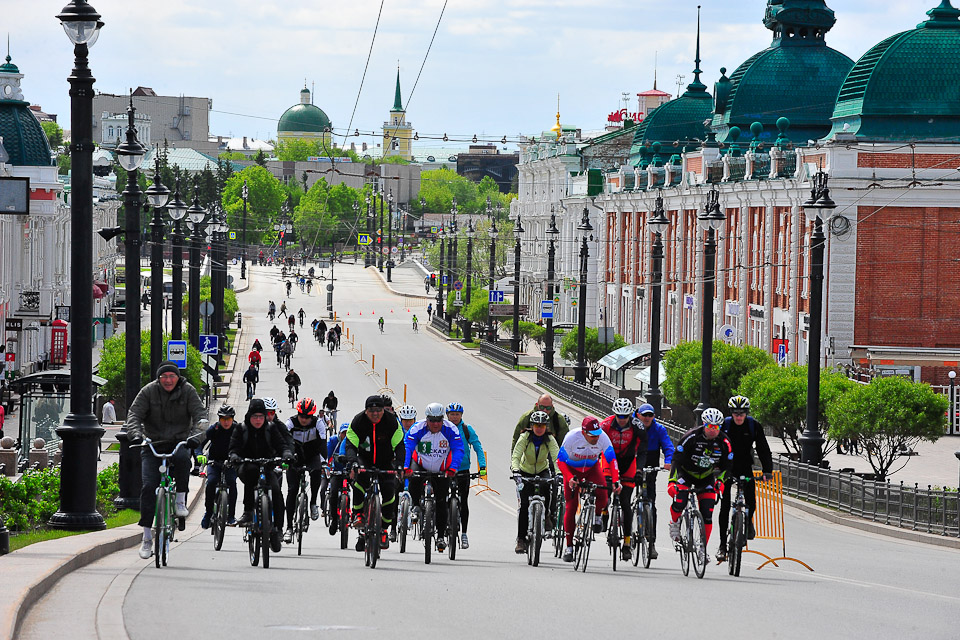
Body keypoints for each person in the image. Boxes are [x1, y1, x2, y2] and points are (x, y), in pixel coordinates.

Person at [126, 361, 206, 559]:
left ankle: (180, 501)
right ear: (158, 378)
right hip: (153, 444)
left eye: (172, 376)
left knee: (183, 460)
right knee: (148, 487)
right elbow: (134, 414)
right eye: (164, 377)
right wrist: (135, 435)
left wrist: (195, 438)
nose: (168, 380)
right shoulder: (148, 391)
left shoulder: (188, 391)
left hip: (179, 442)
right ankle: (146, 537)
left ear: (178, 378)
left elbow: (200, 417)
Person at [229, 398, 294, 554]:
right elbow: (233, 447)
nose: (258, 420)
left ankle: (277, 529)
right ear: (249, 416)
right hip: (247, 465)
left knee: (276, 492)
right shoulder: (241, 429)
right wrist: (234, 456)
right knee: (251, 475)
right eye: (254, 416)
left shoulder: (271, 428)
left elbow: (282, 445)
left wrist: (286, 454)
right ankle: (248, 512)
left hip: (267, 466)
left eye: (261, 416)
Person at [666, 408, 733, 552]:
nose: (713, 430)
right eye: (710, 426)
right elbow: (676, 460)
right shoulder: (691, 436)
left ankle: (703, 549)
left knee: (707, 514)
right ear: (704, 424)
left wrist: (720, 481)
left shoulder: (724, 441)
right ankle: (675, 522)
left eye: (716, 427)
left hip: (706, 477)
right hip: (686, 474)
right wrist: (672, 481)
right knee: (680, 502)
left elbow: (728, 466)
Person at [344, 395, 405, 552]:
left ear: (383, 410)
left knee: (389, 492)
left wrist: (399, 464)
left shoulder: (391, 422)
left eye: (379, 410)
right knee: (359, 482)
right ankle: (358, 515)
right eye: (372, 410)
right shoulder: (358, 421)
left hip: (386, 461)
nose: (375, 413)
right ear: (366, 411)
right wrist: (353, 462)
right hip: (364, 459)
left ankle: (384, 529)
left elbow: (399, 445)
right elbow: (351, 445)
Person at [716, 395, 773, 562]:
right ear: (731, 413)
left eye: (742, 413)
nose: (739, 416)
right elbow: (716, 447)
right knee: (724, 507)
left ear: (746, 413)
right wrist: (716, 469)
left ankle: (748, 522)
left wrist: (767, 470)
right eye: (736, 413)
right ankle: (722, 545)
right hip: (727, 467)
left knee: (751, 502)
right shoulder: (725, 425)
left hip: (745, 466)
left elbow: (763, 448)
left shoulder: (753, 425)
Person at [558, 416, 620, 563]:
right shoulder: (572, 437)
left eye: (597, 434)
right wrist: (569, 477)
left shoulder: (602, 437)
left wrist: (616, 480)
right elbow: (560, 460)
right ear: (584, 432)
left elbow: (612, 459)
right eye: (592, 436)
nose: (596, 438)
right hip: (572, 470)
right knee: (571, 506)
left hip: (591, 469)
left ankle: (597, 516)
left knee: (603, 493)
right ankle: (569, 547)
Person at [404, 402, 464, 553]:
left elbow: (458, 449)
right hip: (420, 464)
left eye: (439, 420)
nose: (436, 424)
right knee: (414, 479)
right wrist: (405, 467)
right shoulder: (417, 428)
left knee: (441, 501)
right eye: (432, 420)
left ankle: (441, 536)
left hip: (441, 467)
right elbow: (407, 447)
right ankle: (416, 505)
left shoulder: (451, 429)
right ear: (427, 419)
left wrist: (453, 468)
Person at [599, 398, 648, 561]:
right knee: (605, 490)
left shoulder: (638, 426)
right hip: (609, 459)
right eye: (619, 416)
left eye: (625, 416)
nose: (621, 419)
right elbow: (595, 444)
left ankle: (627, 543)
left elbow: (643, 450)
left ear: (630, 415)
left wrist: (639, 470)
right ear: (614, 414)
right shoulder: (605, 425)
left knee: (625, 503)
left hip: (628, 462)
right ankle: (604, 513)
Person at [511, 410, 559, 554]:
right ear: (532, 426)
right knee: (524, 506)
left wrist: (559, 473)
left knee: (549, 492)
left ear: (546, 427)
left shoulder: (549, 439)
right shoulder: (525, 437)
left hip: (542, 470)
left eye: (542, 426)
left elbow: (557, 457)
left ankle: (547, 516)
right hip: (525, 471)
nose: (539, 428)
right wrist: (515, 470)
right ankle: (520, 539)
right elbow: (516, 455)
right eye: (537, 425)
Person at [283, 398, 327, 542]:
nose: (304, 419)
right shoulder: (290, 423)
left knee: (317, 471)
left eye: (307, 417)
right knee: (292, 490)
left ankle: (313, 502)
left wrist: (324, 462)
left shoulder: (319, 423)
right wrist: (285, 458)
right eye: (301, 416)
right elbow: (284, 442)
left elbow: (323, 445)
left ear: (312, 416)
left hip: (312, 455)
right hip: (294, 457)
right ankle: (289, 528)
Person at [636, 402, 673, 560]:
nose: (647, 418)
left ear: (654, 417)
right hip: (635, 460)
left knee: (651, 501)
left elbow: (668, 446)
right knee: (627, 494)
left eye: (650, 415)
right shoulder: (634, 426)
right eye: (644, 415)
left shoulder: (659, 429)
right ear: (639, 415)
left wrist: (668, 461)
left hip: (651, 463)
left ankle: (651, 542)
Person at [446, 402, 486, 550]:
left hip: (463, 469)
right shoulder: (443, 429)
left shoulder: (466, 429)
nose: (454, 417)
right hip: (446, 469)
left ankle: (464, 534)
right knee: (442, 497)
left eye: (457, 414)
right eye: (452, 414)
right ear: (447, 416)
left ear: (461, 415)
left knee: (464, 501)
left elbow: (478, 447)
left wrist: (482, 467)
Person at [199, 405, 238, 529]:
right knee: (211, 482)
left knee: (232, 482)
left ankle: (231, 516)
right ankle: (208, 513)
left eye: (228, 419)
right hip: (214, 461)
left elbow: (245, 445)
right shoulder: (214, 429)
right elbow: (200, 444)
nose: (226, 422)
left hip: (231, 462)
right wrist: (199, 455)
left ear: (233, 419)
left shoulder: (237, 430)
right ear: (219, 419)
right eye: (223, 419)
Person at [326, 422, 350, 535]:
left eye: (347, 433)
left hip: (350, 473)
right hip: (336, 472)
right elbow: (326, 456)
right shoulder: (333, 441)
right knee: (333, 493)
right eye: (343, 433)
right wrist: (326, 467)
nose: (345, 436)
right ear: (339, 433)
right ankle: (334, 520)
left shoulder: (353, 441)